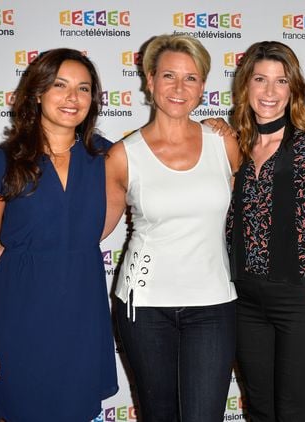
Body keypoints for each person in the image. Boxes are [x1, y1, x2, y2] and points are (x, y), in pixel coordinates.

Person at [0, 48, 118, 421]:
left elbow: (169, 150)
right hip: (21, 312)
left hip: (83, 311)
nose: (72, 98)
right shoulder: (1, 162)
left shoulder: (109, 157)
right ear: (36, 93)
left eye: (83, 88)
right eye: (60, 85)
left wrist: (217, 126)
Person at [103, 34, 240, 421]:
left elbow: (256, 217)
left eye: (191, 78)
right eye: (168, 76)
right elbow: (95, 227)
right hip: (143, 307)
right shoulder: (122, 155)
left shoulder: (224, 144)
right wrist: (21, 243)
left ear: (202, 87)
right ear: (149, 80)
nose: (179, 88)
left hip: (213, 304)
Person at [226, 41, 305, 421]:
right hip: (244, 300)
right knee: (259, 410)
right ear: (246, 86)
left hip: (298, 303)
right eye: (260, 79)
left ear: (293, 89)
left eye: (281, 81)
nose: (270, 92)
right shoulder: (232, 147)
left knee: (294, 413)